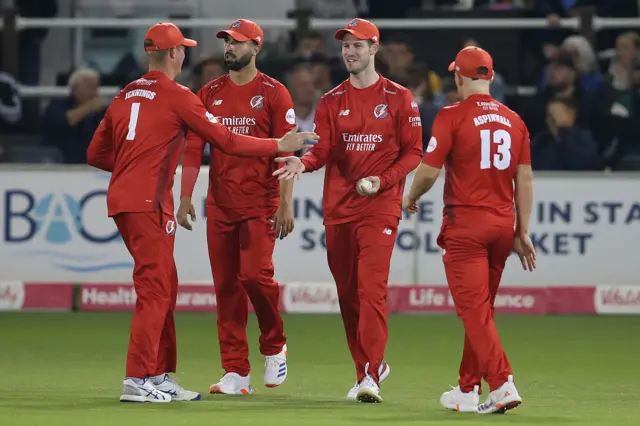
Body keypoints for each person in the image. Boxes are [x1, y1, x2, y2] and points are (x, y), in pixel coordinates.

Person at [86, 22, 317, 404]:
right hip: (152, 203)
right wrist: (278, 143)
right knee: (156, 290)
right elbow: (223, 141)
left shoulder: (126, 92)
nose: (225, 47)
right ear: (175, 54)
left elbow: (96, 153)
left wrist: (134, 170)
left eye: (233, 41)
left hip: (131, 200)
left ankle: (159, 374)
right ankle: (138, 377)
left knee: (168, 286)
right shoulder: (183, 95)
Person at [273, 18, 423, 403]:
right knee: (348, 295)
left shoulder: (399, 98)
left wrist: (382, 181)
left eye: (357, 45)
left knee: (372, 290)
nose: (350, 52)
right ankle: (366, 370)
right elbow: (323, 151)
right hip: (339, 209)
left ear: (375, 49)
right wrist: (301, 164)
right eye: (345, 46)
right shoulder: (331, 101)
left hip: (380, 208)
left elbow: (413, 154)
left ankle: (371, 373)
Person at [401, 46, 536, 414]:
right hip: (500, 227)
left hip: (465, 226)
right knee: (482, 311)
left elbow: (429, 168)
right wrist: (521, 231)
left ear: (458, 78)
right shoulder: (515, 120)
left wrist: (410, 195)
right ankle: (466, 389)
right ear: (489, 77)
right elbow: (523, 180)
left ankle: (503, 382)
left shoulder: (451, 116)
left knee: (474, 312)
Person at [178, 19, 296, 395]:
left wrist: (286, 204)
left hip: (261, 202)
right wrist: (184, 196)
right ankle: (235, 372)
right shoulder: (208, 92)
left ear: (256, 48)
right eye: (226, 42)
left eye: (237, 43)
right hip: (221, 204)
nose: (229, 48)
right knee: (226, 287)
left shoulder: (276, 94)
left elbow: (287, 151)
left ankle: (274, 345)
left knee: (254, 277)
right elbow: (195, 147)